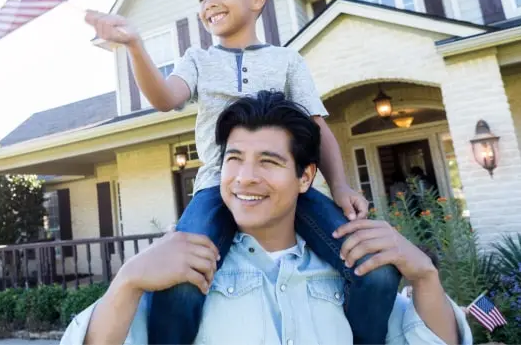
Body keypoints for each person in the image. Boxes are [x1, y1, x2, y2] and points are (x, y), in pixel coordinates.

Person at [83, 0, 400, 344]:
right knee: (180, 282)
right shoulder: (197, 60)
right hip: (218, 187)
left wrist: (340, 187)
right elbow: (165, 97)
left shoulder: (287, 61)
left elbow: (318, 128)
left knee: (379, 269)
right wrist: (134, 45)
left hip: (287, 190)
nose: (209, 2)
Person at [60, 90, 472, 345]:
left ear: (305, 177)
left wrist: (424, 276)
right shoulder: (184, 272)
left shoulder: (351, 273)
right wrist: (128, 280)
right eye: (234, 159)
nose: (245, 178)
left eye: (269, 162)